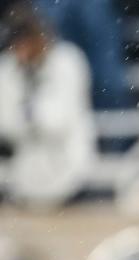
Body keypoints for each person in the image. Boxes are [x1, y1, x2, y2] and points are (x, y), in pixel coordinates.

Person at [0, 4, 95, 207]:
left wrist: (31, 113)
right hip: (24, 179)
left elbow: (59, 121)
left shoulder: (68, 61)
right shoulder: (7, 70)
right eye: (17, 46)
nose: (22, 52)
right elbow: (6, 124)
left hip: (71, 174)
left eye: (26, 43)